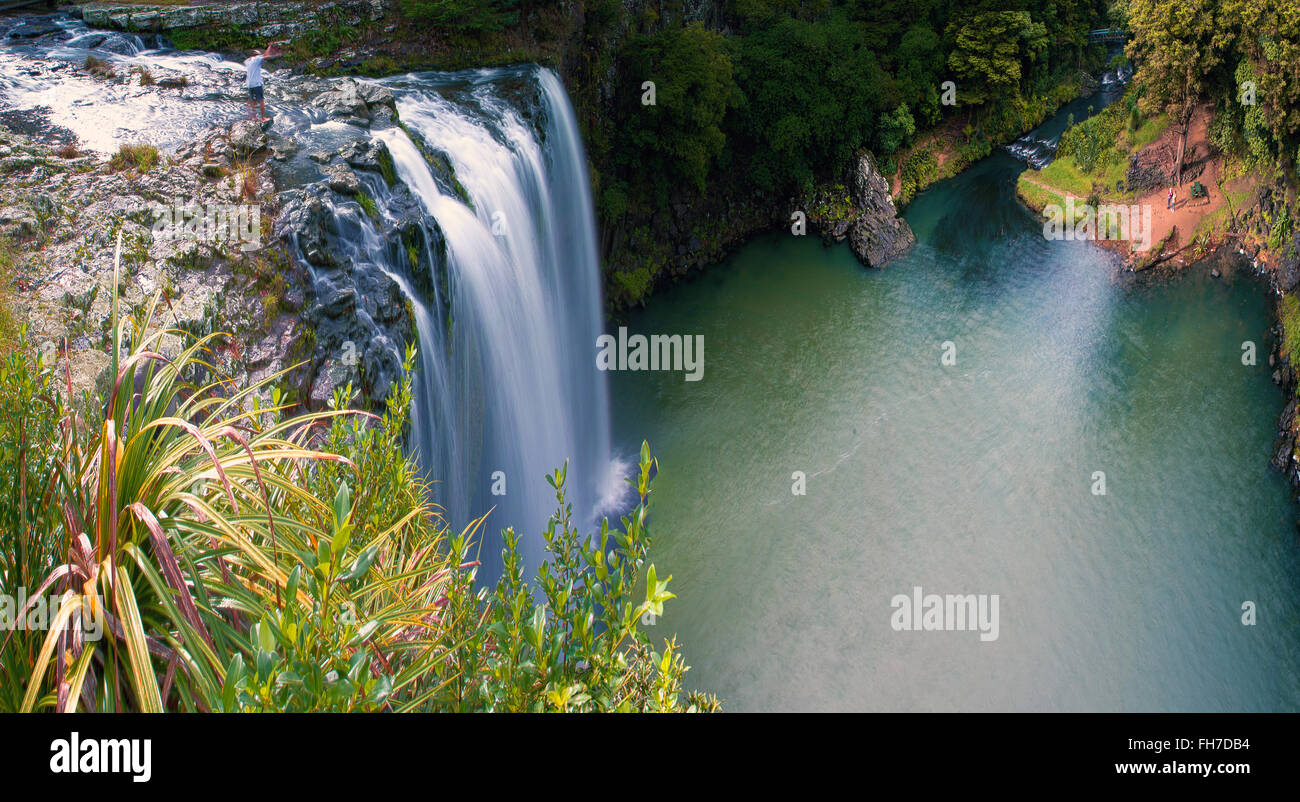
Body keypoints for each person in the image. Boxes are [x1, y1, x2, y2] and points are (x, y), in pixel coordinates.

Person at [245, 40, 288, 122]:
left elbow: (264, 55)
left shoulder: (247, 61)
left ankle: (253, 117)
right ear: (256, 55)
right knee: (261, 100)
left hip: (249, 84)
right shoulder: (256, 59)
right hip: (257, 83)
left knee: (252, 100)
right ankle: (263, 118)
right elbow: (266, 55)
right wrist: (270, 47)